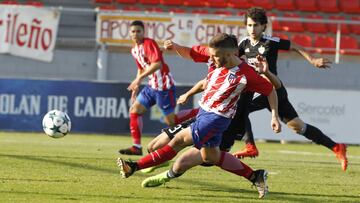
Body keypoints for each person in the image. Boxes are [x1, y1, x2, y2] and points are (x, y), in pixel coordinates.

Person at [117, 33, 281, 198]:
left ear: (230, 54)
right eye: (211, 55)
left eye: (216, 56)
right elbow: (202, 74)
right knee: (211, 156)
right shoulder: (216, 60)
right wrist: (176, 48)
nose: (212, 59)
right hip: (204, 112)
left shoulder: (246, 73)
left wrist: (274, 115)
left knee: (178, 141)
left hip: (216, 118)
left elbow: (271, 89)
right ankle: (256, 176)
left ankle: (133, 166)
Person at [225, 7, 347, 172]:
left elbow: (294, 46)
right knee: (294, 124)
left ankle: (250, 146)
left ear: (263, 26)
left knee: (245, 110)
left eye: (255, 25)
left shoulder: (270, 41)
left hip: (273, 88)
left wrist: (312, 60)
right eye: (249, 25)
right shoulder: (244, 44)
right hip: (259, 90)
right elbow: (232, 58)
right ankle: (336, 147)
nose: (252, 29)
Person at [119, 20, 198, 155]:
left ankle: (198, 112)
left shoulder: (148, 43)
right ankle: (136, 147)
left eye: (139, 31)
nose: (136, 34)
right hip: (151, 86)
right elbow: (141, 68)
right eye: (133, 31)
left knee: (171, 122)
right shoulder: (134, 50)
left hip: (164, 87)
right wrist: (136, 84)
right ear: (130, 34)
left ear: (144, 32)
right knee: (134, 110)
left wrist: (139, 79)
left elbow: (157, 65)